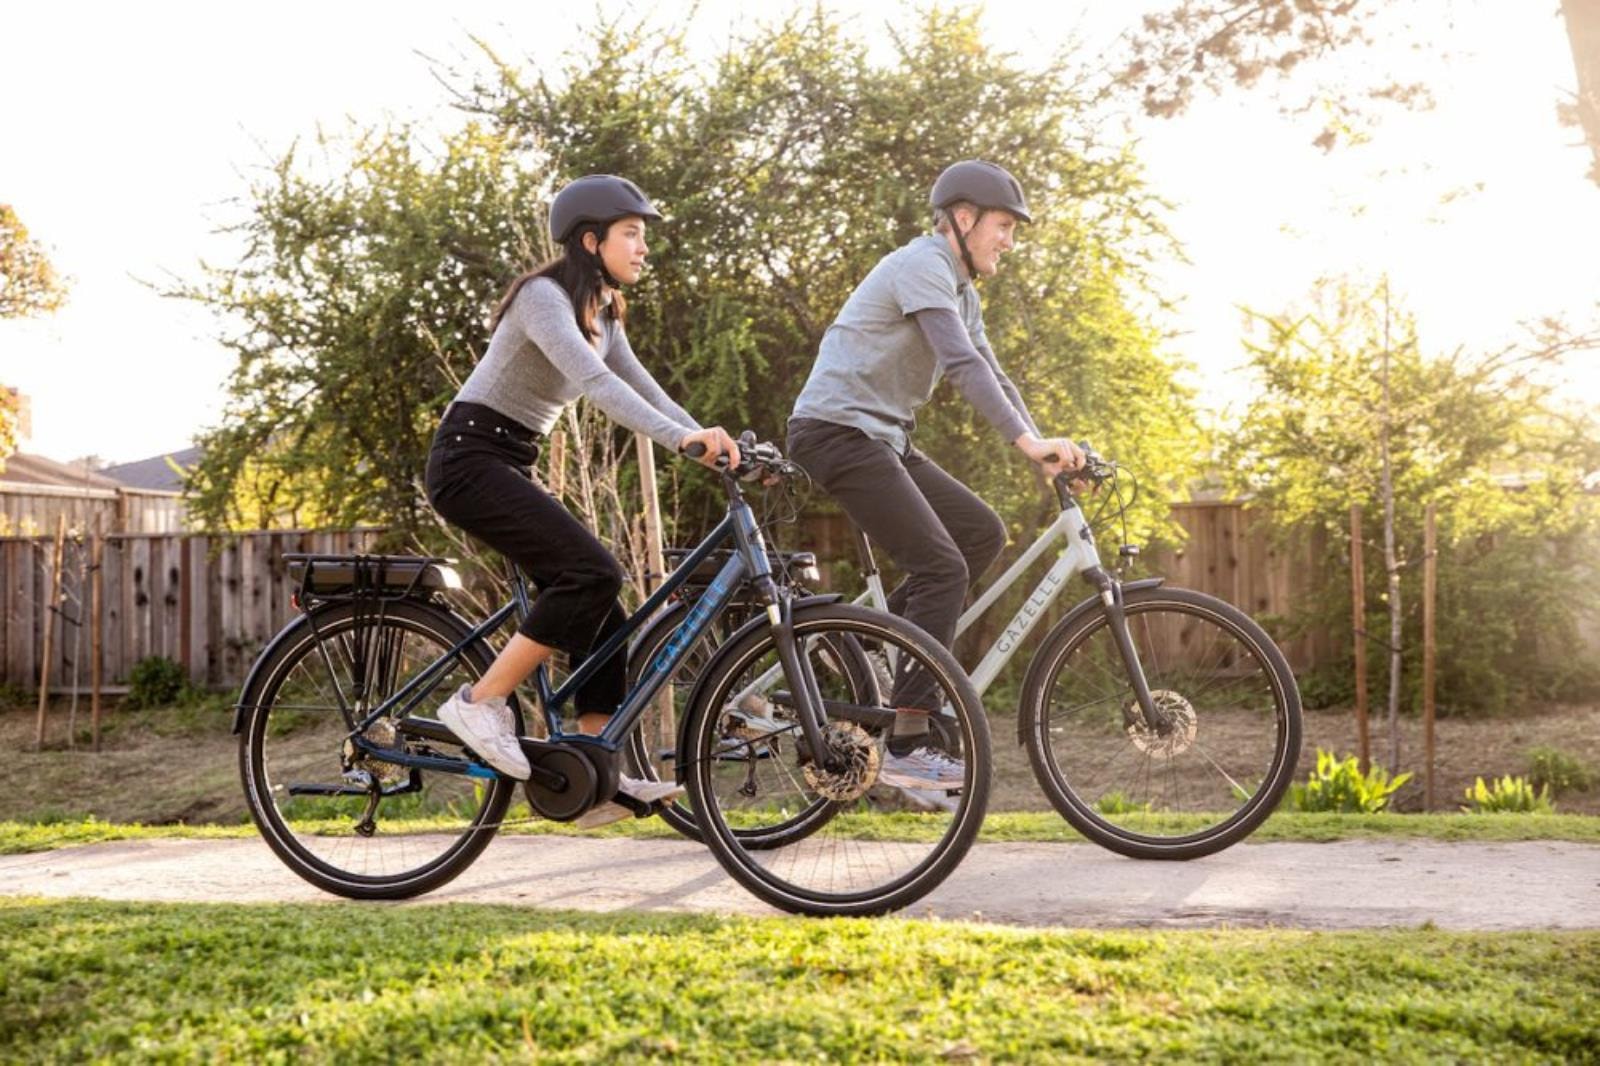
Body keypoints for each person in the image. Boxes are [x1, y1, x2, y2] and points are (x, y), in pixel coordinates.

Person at [424, 174, 740, 826]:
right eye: (632, 234)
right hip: (468, 459)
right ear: (591, 241)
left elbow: (646, 390)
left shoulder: (602, 313)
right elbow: (594, 383)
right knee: (592, 572)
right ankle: (479, 703)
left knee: (606, 610)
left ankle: (597, 774)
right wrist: (682, 441)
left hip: (509, 461)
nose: (643, 248)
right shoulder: (543, 298)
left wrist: (712, 443)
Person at [786, 159, 1085, 790]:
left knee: (980, 533)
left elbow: (991, 371)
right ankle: (908, 741)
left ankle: (871, 644)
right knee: (942, 568)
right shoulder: (923, 264)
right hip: (835, 432)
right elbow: (959, 363)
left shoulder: (961, 290)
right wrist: (1027, 442)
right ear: (964, 218)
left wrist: (1041, 449)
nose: (1009, 242)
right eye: (1004, 226)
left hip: (882, 438)